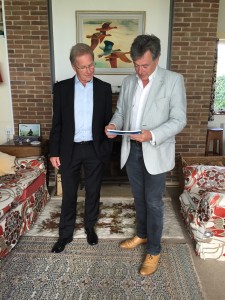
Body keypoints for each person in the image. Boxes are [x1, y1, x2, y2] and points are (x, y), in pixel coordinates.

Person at [105, 34, 186, 276]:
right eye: (136, 65)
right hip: (131, 150)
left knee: (153, 202)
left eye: (145, 66)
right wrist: (112, 124)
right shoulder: (129, 82)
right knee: (139, 198)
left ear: (157, 59)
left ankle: (154, 249)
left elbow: (179, 120)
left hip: (156, 149)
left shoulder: (173, 81)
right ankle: (141, 234)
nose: (140, 71)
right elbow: (120, 112)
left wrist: (152, 134)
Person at [49, 43, 112, 253]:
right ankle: (65, 234)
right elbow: (56, 123)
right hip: (70, 150)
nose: (89, 70)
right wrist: (54, 152)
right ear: (74, 67)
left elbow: (108, 122)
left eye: (92, 65)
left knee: (93, 192)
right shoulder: (62, 88)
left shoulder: (104, 88)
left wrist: (106, 146)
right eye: (84, 67)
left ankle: (89, 228)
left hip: (94, 149)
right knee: (69, 194)